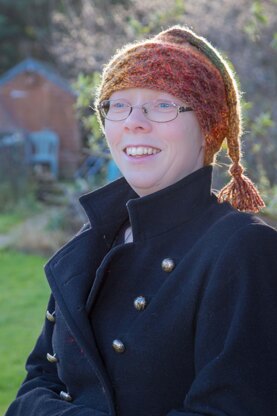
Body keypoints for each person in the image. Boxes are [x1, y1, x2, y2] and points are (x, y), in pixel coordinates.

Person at [5, 25, 277, 416]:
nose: (134, 122)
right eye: (118, 104)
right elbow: (34, 385)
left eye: (163, 104)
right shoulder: (95, 240)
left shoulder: (243, 249)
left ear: (208, 127)